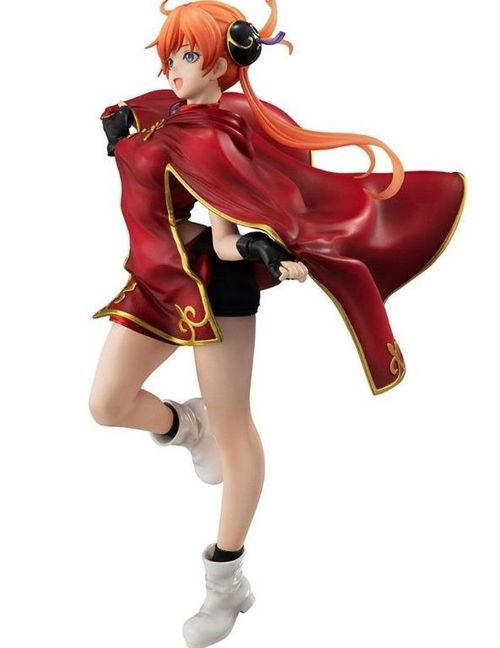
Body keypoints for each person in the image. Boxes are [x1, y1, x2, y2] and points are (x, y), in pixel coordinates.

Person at [89, 1, 465, 646]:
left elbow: (226, 233)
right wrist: (121, 134)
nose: (174, 67)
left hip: (216, 287)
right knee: (107, 404)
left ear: (221, 62)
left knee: (237, 431)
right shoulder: (168, 114)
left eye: (187, 55)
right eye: (171, 54)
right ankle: (187, 426)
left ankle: (226, 581)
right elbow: (149, 155)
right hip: (157, 280)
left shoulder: (214, 135)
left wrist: (262, 247)